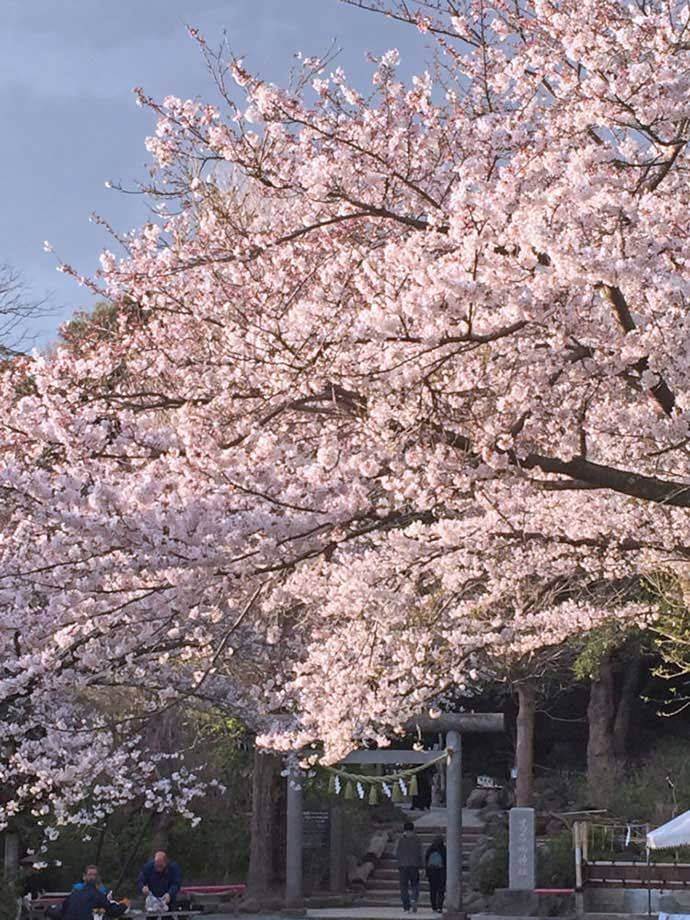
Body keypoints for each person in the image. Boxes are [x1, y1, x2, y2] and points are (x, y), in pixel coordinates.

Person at [60, 866, 128, 920]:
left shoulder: (75, 894)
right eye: (90, 874)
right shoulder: (78, 891)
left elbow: (62, 909)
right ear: (84, 876)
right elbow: (113, 910)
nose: (92, 877)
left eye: (94, 875)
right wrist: (124, 905)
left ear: (97, 877)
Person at [396, 821, 423, 913]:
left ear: (404, 830)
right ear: (413, 829)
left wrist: (400, 859)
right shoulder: (417, 839)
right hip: (414, 866)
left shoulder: (400, 839)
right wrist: (422, 866)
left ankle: (406, 906)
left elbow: (394, 852)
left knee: (403, 886)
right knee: (415, 884)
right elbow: (421, 853)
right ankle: (414, 899)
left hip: (403, 866)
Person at [425, 835, 447, 912]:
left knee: (433, 890)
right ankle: (440, 906)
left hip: (432, 872)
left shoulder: (430, 849)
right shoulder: (444, 849)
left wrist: (427, 872)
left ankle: (434, 906)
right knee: (441, 890)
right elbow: (446, 861)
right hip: (441, 872)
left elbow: (426, 860)